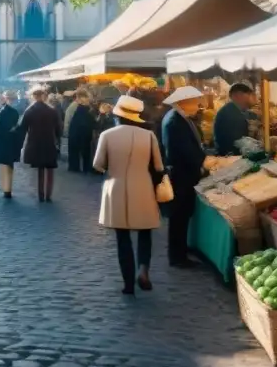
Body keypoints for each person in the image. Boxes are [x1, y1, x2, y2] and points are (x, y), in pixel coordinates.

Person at [94, 95, 165, 294]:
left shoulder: (107, 135)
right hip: (142, 186)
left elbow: (97, 165)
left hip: (115, 187)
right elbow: (159, 166)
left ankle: (127, 284)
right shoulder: (149, 136)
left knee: (122, 237)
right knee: (145, 232)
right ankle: (143, 269)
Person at [161, 85, 206, 268]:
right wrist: (203, 162)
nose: (197, 106)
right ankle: (177, 257)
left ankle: (180, 249)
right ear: (183, 103)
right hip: (181, 175)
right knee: (178, 216)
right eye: (194, 102)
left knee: (182, 215)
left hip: (184, 174)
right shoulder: (174, 121)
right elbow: (184, 151)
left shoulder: (180, 118)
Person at [18, 86, 63, 202]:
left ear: (33, 97)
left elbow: (22, 128)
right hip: (49, 142)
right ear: (44, 96)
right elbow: (58, 129)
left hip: (35, 144)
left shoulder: (29, 111)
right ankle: (48, 194)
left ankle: (41, 195)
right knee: (50, 169)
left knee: (40, 170)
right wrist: (58, 141)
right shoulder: (52, 110)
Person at [212, 83, 256, 156]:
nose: (251, 99)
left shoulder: (233, 109)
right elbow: (238, 141)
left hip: (231, 155)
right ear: (239, 95)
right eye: (249, 95)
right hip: (230, 157)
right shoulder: (230, 113)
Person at [0, 91, 22, 197]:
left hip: (2, 143)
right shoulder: (13, 111)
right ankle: (8, 188)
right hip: (10, 142)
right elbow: (15, 127)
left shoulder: (0, 110)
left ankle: (6, 189)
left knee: (3, 167)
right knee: (9, 166)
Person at [67, 89, 97, 173]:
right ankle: (85, 168)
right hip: (83, 133)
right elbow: (91, 122)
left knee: (76, 151)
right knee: (85, 152)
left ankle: (75, 167)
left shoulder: (78, 107)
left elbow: (70, 119)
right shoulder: (85, 108)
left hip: (76, 132)